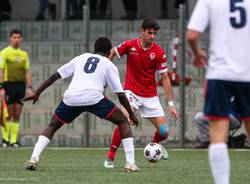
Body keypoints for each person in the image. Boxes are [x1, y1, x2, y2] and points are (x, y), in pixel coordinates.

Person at [23, 37, 140, 172]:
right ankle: (130, 163)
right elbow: (120, 94)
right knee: (123, 121)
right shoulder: (109, 64)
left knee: (52, 126)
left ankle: (33, 158)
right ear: (109, 52)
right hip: (93, 98)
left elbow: (56, 75)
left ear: (94, 50)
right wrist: (131, 115)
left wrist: (37, 92)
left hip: (72, 98)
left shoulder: (81, 57)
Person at [187, 0, 250, 184]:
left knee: (218, 133)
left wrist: (198, 54)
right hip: (247, 73)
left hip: (219, 74)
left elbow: (191, 35)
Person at [104, 18, 178, 168]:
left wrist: (171, 105)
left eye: (155, 33)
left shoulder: (159, 53)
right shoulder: (129, 45)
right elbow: (112, 52)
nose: (152, 36)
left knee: (164, 132)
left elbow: (165, 77)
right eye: (149, 33)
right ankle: (110, 157)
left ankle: (154, 144)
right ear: (142, 32)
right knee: (124, 119)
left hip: (150, 96)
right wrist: (107, 71)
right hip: (131, 92)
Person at [0, 29, 34, 148]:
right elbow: (1, 70)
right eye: (14, 37)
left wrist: (29, 87)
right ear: (10, 38)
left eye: (18, 37)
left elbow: (27, 71)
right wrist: (1, 87)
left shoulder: (24, 54)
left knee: (17, 113)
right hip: (8, 84)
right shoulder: (4, 52)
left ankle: (13, 140)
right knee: (7, 113)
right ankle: (5, 139)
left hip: (20, 85)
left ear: (21, 39)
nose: (16, 39)